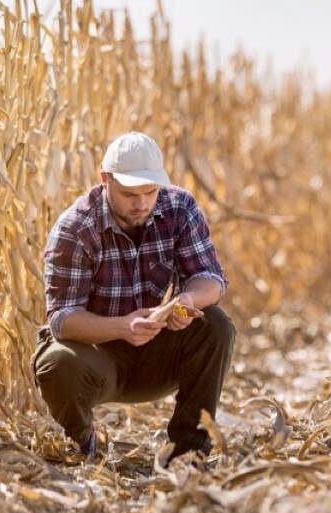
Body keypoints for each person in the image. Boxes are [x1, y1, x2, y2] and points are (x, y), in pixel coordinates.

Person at [31, 131, 235, 465]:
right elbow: (63, 320)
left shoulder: (179, 207)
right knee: (57, 362)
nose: (141, 203)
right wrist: (123, 327)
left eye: (149, 192)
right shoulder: (75, 229)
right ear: (104, 180)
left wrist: (185, 301)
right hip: (97, 357)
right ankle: (81, 442)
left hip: (156, 351)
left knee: (216, 325)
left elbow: (212, 280)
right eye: (128, 194)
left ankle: (188, 450)